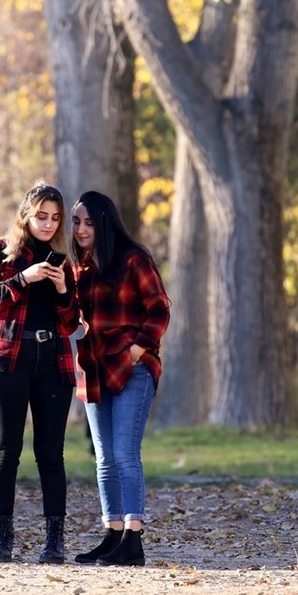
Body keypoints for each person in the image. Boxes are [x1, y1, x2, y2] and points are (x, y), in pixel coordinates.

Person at [0, 182, 80, 564]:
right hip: (6, 361)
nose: (48, 224)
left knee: (51, 454)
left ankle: (55, 542)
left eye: (55, 218)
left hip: (52, 361)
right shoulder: (1, 252)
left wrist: (64, 290)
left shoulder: (64, 259)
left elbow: (70, 323)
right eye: (41, 216)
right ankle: (3, 539)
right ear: (26, 215)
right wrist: (23, 279)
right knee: (6, 452)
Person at [69, 191, 170, 567]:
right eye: (77, 222)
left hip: (133, 368)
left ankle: (133, 538)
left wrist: (135, 350)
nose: (81, 229)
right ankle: (112, 533)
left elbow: (159, 309)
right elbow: (71, 320)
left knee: (126, 453)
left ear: (105, 222)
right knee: (104, 458)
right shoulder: (79, 267)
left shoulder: (133, 259)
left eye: (89, 222)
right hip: (94, 368)